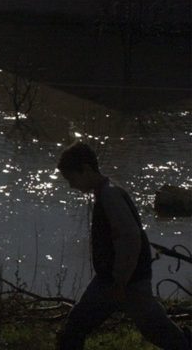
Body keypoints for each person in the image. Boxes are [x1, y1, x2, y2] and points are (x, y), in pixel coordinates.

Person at [56, 142, 191, 350]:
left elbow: (130, 237)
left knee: (156, 330)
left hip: (126, 282)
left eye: (72, 179)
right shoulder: (107, 191)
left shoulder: (109, 195)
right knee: (78, 324)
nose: (71, 185)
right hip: (117, 279)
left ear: (86, 169)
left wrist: (120, 280)